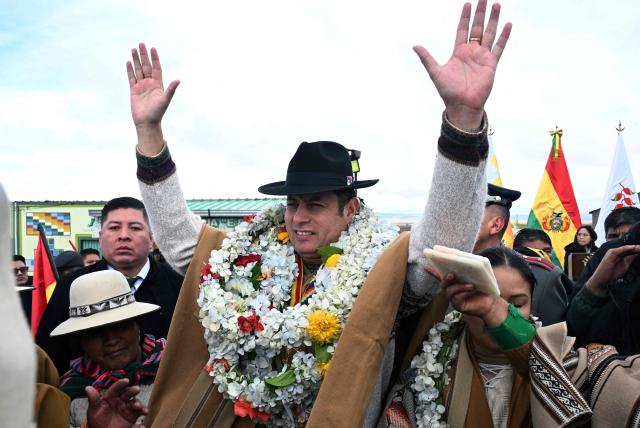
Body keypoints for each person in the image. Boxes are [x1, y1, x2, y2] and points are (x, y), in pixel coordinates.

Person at [125, 0, 509, 425]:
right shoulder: (250, 254)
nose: (298, 217)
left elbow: (442, 243)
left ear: (351, 209)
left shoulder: (382, 266)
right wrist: (149, 133)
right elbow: (182, 245)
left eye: (315, 205)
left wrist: (463, 118)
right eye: (292, 204)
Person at [381, 247, 640, 427]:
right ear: (460, 303)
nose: (500, 313)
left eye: (517, 303)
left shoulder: (565, 363)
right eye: (481, 300)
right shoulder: (427, 363)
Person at [36, 197, 183, 374]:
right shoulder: (70, 287)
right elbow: (51, 356)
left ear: (152, 239)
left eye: (135, 228)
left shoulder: (179, 283)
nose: (124, 236)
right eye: (114, 228)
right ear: (100, 238)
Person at [50, 270, 165, 428]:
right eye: (95, 333)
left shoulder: (174, 372)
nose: (110, 340)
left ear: (137, 327)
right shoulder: (68, 397)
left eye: (120, 326)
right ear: (82, 342)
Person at [473, 187, 573, 325]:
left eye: (470, 213)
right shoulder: (444, 265)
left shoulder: (542, 276)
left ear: (496, 225)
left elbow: (550, 339)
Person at [566, 221, 640, 352]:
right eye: (614, 236)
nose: (581, 237)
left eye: (625, 235)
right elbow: (571, 329)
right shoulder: (603, 255)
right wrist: (596, 286)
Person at [574, 206, 640, 289]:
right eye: (613, 236)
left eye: (627, 237)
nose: (620, 242)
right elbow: (577, 298)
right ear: (605, 237)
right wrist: (596, 284)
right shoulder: (596, 261)